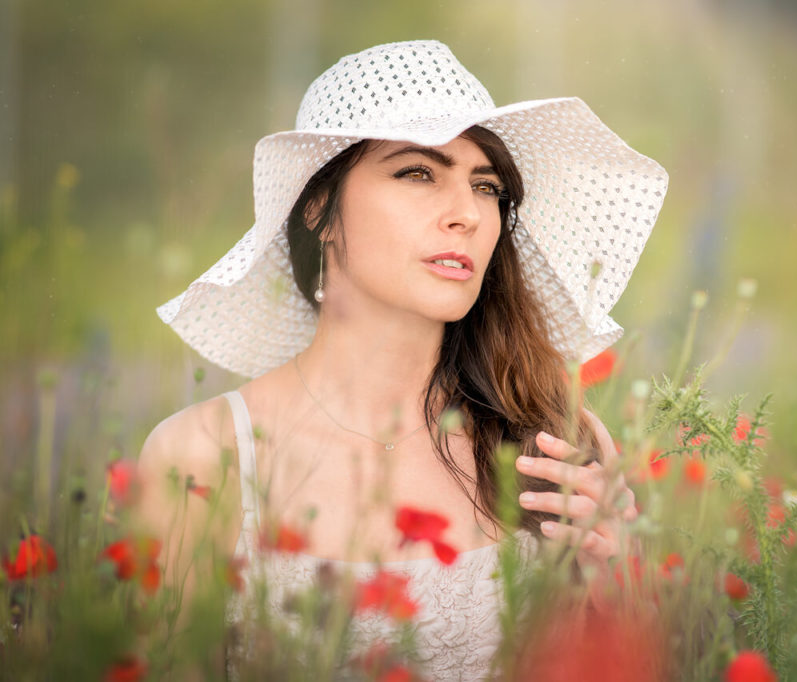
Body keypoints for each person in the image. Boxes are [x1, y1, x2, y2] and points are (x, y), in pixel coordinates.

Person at [136, 40, 668, 680]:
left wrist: (616, 590)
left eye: (486, 185)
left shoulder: (549, 441)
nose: (466, 214)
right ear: (319, 208)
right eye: (417, 172)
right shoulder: (204, 456)